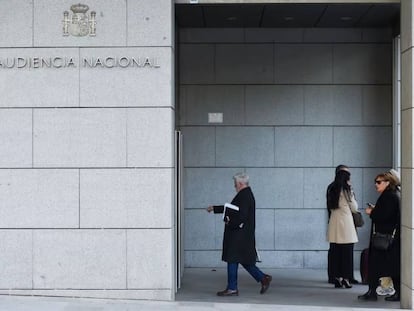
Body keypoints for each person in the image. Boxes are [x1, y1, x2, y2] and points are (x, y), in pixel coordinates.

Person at [206, 172, 272, 296]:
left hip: (239, 235)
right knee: (244, 261)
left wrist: (229, 221)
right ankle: (263, 278)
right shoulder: (245, 195)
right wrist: (215, 208)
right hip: (242, 235)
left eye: (235, 184)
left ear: (241, 184)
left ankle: (232, 288)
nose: (234, 187)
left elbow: (240, 216)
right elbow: (232, 208)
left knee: (233, 259)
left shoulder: (244, 196)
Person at [358, 171, 401, 302]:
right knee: (390, 267)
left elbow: (384, 216)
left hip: (384, 238)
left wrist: (372, 212)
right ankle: (389, 292)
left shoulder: (389, 196)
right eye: (375, 182)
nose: (376, 185)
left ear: (388, 182)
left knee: (377, 265)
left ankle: (372, 293)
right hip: (388, 238)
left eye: (379, 182)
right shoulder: (392, 195)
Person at [326, 165, 359, 284]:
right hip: (346, 223)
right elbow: (354, 207)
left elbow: (329, 207)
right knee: (347, 252)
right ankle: (346, 277)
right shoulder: (347, 189)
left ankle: (335, 277)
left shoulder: (331, 188)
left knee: (335, 252)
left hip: (334, 223)